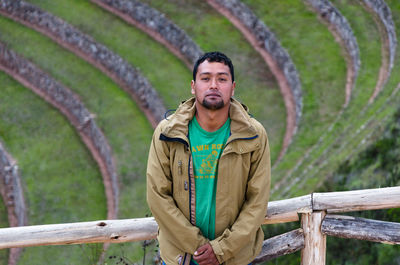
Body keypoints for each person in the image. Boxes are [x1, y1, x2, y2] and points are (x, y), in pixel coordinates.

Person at [146, 51, 271, 265]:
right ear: (193, 86)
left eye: (222, 79)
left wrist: (222, 250)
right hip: (181, 258)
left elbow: (257, 201)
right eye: (206, 78)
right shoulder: (168, 133)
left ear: (232, 87)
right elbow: (158, 196)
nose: (214, 85)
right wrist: (201, 248)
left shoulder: (254, 135)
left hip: (234, 258)